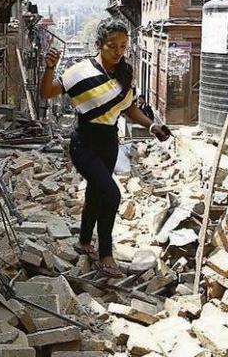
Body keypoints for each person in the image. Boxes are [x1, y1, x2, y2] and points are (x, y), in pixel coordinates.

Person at [39, 19, 170, 278]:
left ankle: (84, 241)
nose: (118, 51)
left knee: (96, 193)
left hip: (109, 141)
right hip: (83, 142)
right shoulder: (79, 72)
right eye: (112, 46)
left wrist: (152, 125)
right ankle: (106, 253)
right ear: (99, 45)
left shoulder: (124, 73)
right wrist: (50, 68)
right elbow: (47, 92)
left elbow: (128, 107)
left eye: (123, 46)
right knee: (111, 193)